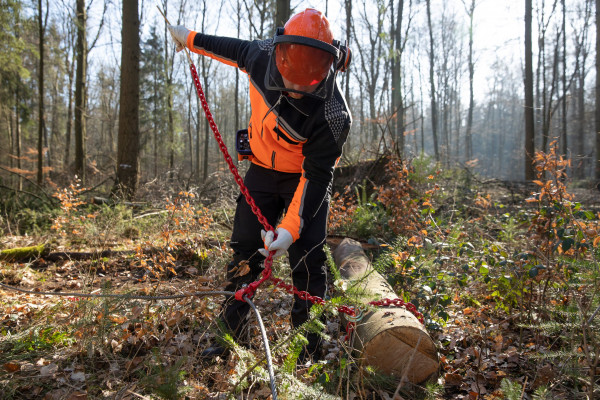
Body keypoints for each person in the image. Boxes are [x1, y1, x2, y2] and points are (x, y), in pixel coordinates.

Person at [168, 8, 352, 363]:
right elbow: (227, 47)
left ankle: (307, 345)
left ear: (323, 71)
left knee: (309, 259)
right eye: (291, 81)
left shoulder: (333, 115)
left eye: (306, 84)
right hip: (262, 170)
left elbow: (317, 177)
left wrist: (289, 230)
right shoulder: (262, 55)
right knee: (244, 252)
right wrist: (187, 38)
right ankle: (230, 339)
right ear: (281, 58)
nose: (296, 91)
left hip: (304, 179)